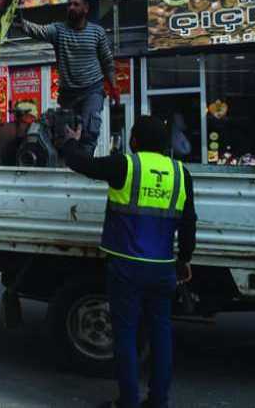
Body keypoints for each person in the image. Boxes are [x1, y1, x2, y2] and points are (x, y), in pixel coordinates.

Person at [60, 116, 197, 408]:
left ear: (134, 141)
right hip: (163, 267)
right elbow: (189, 223)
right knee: (161, 335)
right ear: (165, 145)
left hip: (126, 267)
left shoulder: (125, 165)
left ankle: (128, 401)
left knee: (126, 334)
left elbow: (81, 164)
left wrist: (71, 140)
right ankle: (158, 401)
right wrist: (184, 259)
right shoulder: (181, 173)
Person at [17, 0, 118, 155]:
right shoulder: (58, 30)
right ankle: (70, 162)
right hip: (68, 94)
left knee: (89, 130)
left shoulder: (97, 32)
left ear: (86, 9)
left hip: (92, 89)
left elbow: (107, 62)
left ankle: (86, 163)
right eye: (69, 4)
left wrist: (114, 87)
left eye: (76, 4)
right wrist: (20, 22)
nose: (71, 7)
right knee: (66, 134)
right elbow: (37, 30)